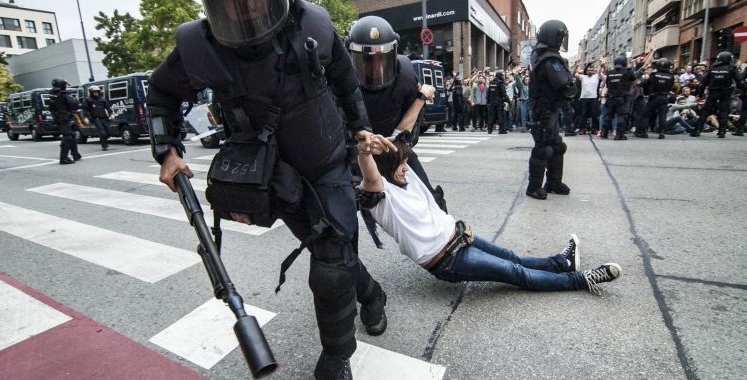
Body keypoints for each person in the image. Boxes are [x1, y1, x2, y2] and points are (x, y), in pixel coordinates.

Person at [144, 1, 398, 378]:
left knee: (330, 265)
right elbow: (162, 91)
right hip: (271, 172)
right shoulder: (200, 45)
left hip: (326, 162)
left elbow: (345, 78)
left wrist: (361, 126)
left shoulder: (313, 23)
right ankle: (372, 292)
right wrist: (167, 150)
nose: (246, 7)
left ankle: (335, 357)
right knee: (328, 248)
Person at [356, 134, 623, 294]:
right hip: (448, 260)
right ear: (384, 167)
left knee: (512, 257)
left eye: (405, 162)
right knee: (515, 273)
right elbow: (370, 176)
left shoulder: (406, 176)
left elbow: (402, 136)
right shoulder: (381, 198)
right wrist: (366, 151)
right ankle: (582, 280)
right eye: (400, 163)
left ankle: (560, 263)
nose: (406, 167)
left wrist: (391, 142)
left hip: (459, 235)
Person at [345, 16, 445, 211]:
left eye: (381, 59)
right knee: (342, 213)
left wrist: (397, 145)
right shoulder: (341, 82)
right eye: (366, 60)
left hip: (393, 149)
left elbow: (410, 131)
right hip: (356, 153)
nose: (375, 68)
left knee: (432, 202)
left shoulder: (406, 75)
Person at [525, 20, 578, 200]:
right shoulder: (550, 59)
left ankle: (553, 182)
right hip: (545, 109)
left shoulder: (540, 55)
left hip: (549, 108)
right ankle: (534, 187)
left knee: (556, 147)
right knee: (543, 149)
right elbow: (566, 87)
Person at [690, 51, 745, 138]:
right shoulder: (731, 68)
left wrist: (700, 94)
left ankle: (697, 130)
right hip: (725, 92)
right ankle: (722, 131)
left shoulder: (712, 68)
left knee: (705, 111)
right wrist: (743, 90)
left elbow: (702, 83)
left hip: (712, 92)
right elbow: (740, 81)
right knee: (724, 111)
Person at [635, 58, 680, 139]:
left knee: (646, 115)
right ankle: (662, 132)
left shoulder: (654, 75)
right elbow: (670, 87)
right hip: (664, 97)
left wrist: (640, 83)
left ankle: (643, 131)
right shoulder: (671, 76)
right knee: (662, 115)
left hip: (653, 97)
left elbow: (646, 83)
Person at [601, 55, 640, 140]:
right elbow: (633, 77)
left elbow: (607, 83)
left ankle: (604, 132)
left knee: (609, 115)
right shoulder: (626, 72)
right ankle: (619, 134)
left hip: (611, 97)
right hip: (622, 98)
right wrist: (629, 66)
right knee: (622, 116)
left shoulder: (610, 73)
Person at [48, 78, 81, 165]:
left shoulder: (52, 93)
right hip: (64, 117)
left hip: (58, 117)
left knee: (71, 135)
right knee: (67, 137)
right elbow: (74, 104)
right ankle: (63, 158)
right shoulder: (63, 94)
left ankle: (75, 154)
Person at [574, 59, 606, 135]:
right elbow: (573, 74)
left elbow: (604, 71)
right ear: (586, 71)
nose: (590, 71)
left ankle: (594, 128)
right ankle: (583, 129)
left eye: (591, 70)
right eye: (588, 70)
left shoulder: (596, 76)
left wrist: (603, 63)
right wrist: (577, 65)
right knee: (583, 114)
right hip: (584, 98)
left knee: (594, 114)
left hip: (594, 98)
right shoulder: (583, 77)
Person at [82, 85, 115, 151]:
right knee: (102, 132)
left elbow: (108, 107)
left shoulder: (102, 99)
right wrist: (86, 117)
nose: (96, 93)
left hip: (104, 118)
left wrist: (111, 114)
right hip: (96, 118)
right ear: (91, 92)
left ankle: (104, 139)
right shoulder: (88, 100)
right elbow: (85, 109)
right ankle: (104, 145)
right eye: (94, 92)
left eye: (97, 92)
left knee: (109, 132)